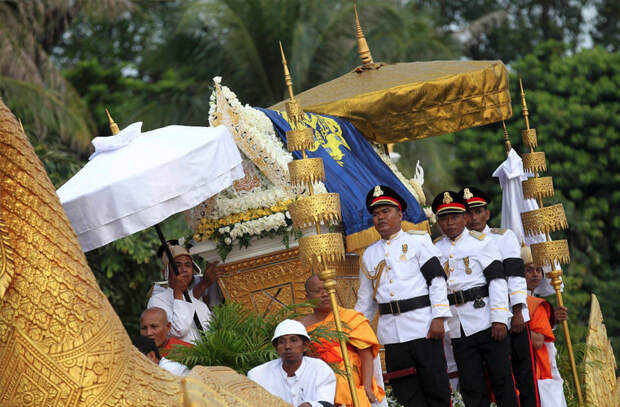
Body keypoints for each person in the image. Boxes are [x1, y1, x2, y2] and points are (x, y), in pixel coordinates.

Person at [354, 185, 452, 407]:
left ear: (400, 213)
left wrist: (439, 317)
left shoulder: (418, 242)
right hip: (391, 334)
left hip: (423, 326)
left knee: (436, 388)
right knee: (406, 393)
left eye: (386, 211)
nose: (380, 217)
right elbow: (365, 301)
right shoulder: (369, 254)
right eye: (376, 214)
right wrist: (354, 332)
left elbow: (437, 280)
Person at [432, 190, 519, 407]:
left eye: (454, 217)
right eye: (444, 218)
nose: (450, 223)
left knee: (502, 382)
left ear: (465, 217)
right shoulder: (434, 249)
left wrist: (499, 318)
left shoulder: (481, 242)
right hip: (458, 325)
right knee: (471, 386)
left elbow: (498, 281)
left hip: (486, 320)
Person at [459, 186, 539, 407]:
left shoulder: (503, 238)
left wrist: (518, 313)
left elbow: (515, 276)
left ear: (487, 213)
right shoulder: (460, 243)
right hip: (485, 320)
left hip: (513, 316)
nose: (473, 217)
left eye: (478, 211)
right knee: (497, 378)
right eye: (469, 212)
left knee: (524, 375)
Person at [299, 275, 386, 407]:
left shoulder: (348, 317)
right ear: (307, 297)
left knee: (342, 383)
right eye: (318, 291)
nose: (324, 294)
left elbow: (365, 353)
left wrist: (367, 386)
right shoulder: (300, 326)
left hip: (347, 375)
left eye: (328, 290)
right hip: (316, 378)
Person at [247, 319, 336, 407]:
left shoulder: (320, 370)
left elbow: (326, 404)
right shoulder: (257, 375)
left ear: (305, 345)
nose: (287, 346)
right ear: (276, 348)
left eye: (293, 340)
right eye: (281, 342)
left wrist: (310, 405)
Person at [523, 245, 568, 407]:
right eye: (529, 270)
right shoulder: (527, 302)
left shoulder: (537, 302)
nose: (535, 274)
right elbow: (537, 341)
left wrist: (552, 321)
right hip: (534, 371)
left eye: (538, 270)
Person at [147, 244, 217, 344]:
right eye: (178, 265)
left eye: (188, 265)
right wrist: (178, 292)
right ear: (166, 272)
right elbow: (178, 330)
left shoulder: (199, 303)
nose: (184, 269)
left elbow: (212, 335)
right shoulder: (156, 301)